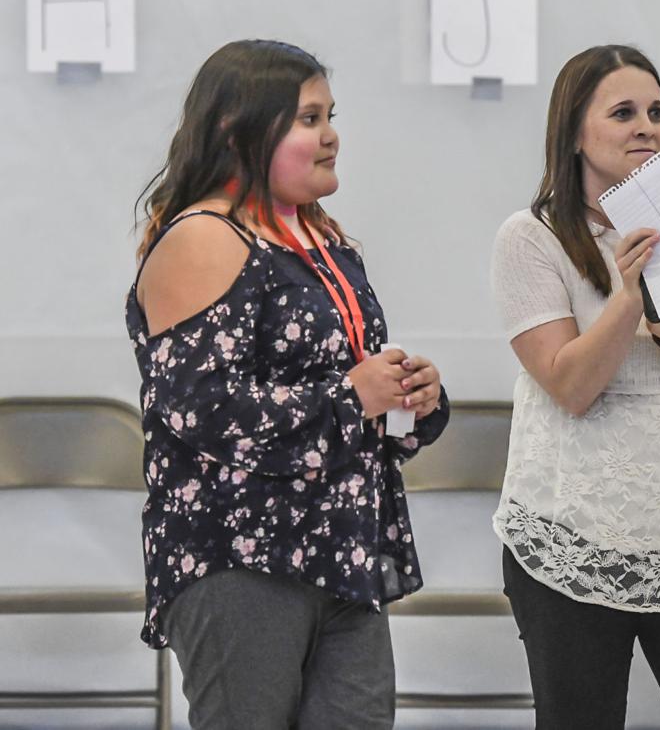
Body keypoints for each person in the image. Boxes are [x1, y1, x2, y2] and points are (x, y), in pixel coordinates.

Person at [126, 39, 449, 729]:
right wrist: (353, 396)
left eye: (330, 114)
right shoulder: (203, 236)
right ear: (236, 131)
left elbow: (351, 386)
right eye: (307, 118)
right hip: (242, 555)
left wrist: (411, 396)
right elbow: (201, 409)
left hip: (341, 546)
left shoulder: (322, 241)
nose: (331, 135)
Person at [489, 44, 660, 729]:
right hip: (570, 535)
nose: (647, 127)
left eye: (657, 112)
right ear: (574, 132)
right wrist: (627, 293)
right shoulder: (531, 238)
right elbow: (570, 386)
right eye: (623, 112)